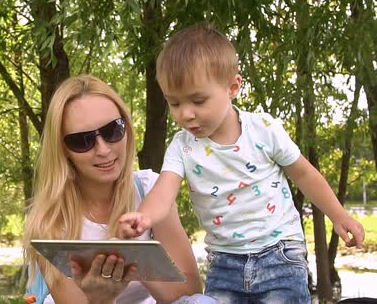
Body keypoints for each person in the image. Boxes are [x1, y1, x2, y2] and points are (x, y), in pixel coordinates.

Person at [119, 23, 365, 303]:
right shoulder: (183, 146)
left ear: (232, 87)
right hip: (224, 265)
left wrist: (339, 215)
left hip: (280, 255)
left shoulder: (263, 129)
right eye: (174, 104)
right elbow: (164, 191)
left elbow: (305, 174)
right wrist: (145, 217)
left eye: (198, 100)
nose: (186, 114)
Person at [22, 74, 211, 304]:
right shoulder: (49, 221)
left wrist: (136, 258)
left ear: (127, 127)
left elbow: (191, 292)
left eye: (113, 130)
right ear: (64, 151)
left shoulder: (151, 191)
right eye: (82, 140)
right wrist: (101, 298)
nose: (103, 150)